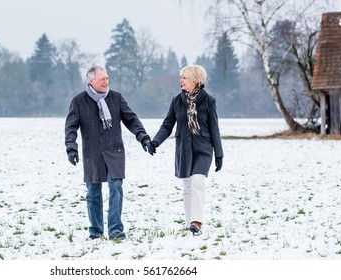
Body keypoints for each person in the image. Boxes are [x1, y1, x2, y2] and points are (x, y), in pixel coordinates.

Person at [65, 66, 155, 241]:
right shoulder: (79, 101)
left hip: (115, 152)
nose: (106, 82)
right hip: (92, 154)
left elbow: (131, 119)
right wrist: (71, 147)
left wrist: (143, 137)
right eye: (102, 79)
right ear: (91, 81)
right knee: (93, 193)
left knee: (116, 188)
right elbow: (70, 127)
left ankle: (115, 230)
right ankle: (95, 231)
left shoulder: (116, 98)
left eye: (107, 78)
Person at [151, 64, 223, 235]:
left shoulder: (209, 101)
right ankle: (189, 222)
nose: (180, 80)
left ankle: (197, 222)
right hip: (184, 149)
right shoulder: (177, 101)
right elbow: (167, 125)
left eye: (184, 77)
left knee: (197, 181)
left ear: (195, 80)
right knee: (187, 185)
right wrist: (155, 142)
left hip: (203, 148)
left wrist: (219, 154)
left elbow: (214, 128)